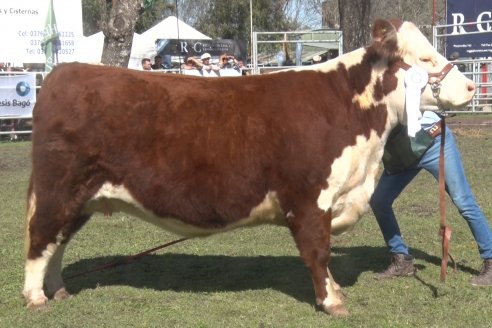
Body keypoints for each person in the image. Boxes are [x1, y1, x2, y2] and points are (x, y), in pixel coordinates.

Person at [370, 110, 492, 286]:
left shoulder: (412, 82)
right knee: (379, 201)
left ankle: (490, 259)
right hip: (403, 154)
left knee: (463, 201)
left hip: (433, 141)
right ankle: (401, 260)